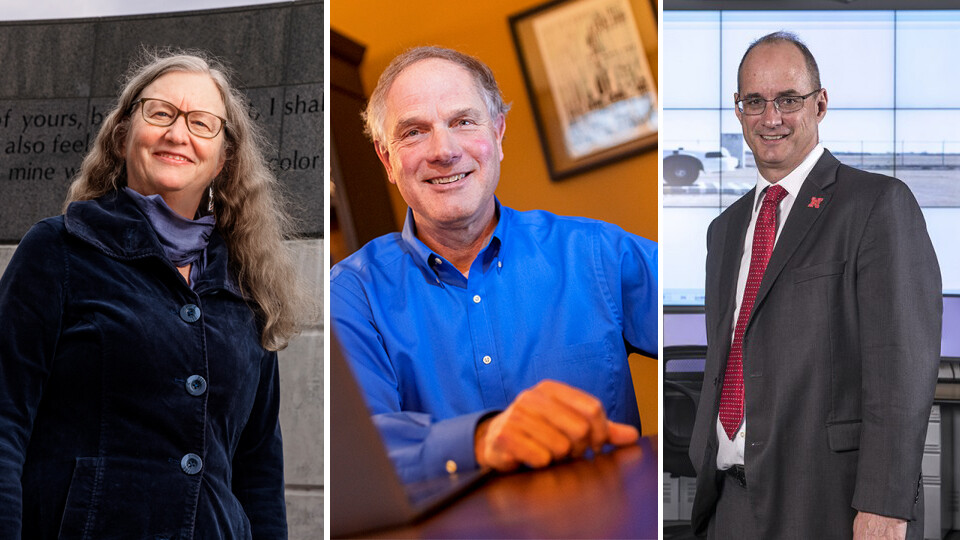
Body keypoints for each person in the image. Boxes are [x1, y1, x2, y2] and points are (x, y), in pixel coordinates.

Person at [0, 50, 313, 538]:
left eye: (201, 123)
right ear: (123, 134)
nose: (177, 133)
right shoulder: (58, 249)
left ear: (224, 158)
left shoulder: (248, 281)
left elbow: (258, 469)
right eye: (160, 113)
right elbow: (4, 420)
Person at [330, 46, 657, 483]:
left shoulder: (597, 252)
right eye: (413, 132)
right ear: (387, 160)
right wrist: (480, 440)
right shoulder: (351, 295)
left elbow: (729, 323)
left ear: (499, 133)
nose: (443, 150)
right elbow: (354, 451)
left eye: (463, 122)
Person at [688, 32, 942, 539]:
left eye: (788, 99)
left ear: (820, 104)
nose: (771, 117)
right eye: (754, 102)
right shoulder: (725, 229)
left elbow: (902, 366)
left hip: (828, 502)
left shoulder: (875, 205)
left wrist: (885, 506)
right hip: (728, 503)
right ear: (738, 111)